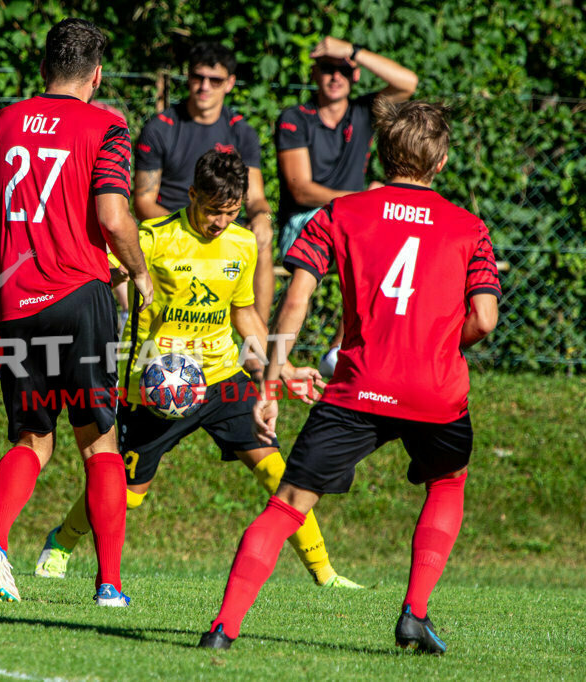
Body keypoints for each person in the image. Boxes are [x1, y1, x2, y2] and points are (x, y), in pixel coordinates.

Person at [199, 99, 501, 654]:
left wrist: (269, 383)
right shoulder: (469, 228)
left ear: (381, 155)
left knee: (288, 503)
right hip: (435, 391)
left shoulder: (342, 213)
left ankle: (224, 627)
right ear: (441, 161)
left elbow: (295, 303)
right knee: (447, 481)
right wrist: (436, 343)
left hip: (359, 382)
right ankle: (414, 611)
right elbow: (484, 318)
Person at [33, 149, 361, 591]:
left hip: (222, 377)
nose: (220, 222)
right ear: (191, 196)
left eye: (229, 213)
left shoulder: (243, 244)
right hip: (157, 388)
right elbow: (101, 278)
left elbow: (244, 316)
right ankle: (62, 541)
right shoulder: (152, 238)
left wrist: (279, 369)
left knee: (275, 470)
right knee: (128, 493)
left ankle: (325, 574)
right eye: (212, 211)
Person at [0, 18, 153, 606]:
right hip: (79, 298)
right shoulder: (107, 124)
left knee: (33, 436)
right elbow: (114, 218)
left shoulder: (3, 121)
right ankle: (109, 585)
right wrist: (137, 270)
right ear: (96, 74)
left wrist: (12, 249)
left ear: (44, 69)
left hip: (15, 305)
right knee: (100, 444)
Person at [276, 36, 418, 374]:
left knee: (387, 254)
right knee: (312, 279)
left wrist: (353, 51)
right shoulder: (295, 118)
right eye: (328, 69)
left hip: (355, 220)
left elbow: (408, 82)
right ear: (315, 74)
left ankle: (340, 350)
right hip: (304, 220)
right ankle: (278, 357)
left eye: (343, 69)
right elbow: (301, 190)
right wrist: (362, 199)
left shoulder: (363, 112)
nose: (335, 77)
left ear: (354, 76)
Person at [134, 41, 275, 322]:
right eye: (198, 77)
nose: (205, 86)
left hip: (221, 224)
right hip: (173, 225)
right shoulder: (160, 128)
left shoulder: (241, 131)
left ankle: (258, 350)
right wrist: (190, 226)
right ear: (188, 78)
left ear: (230, 83)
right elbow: (143, 202)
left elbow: (255, 196)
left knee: (261, 240)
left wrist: (261, 217)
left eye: (215, 79)